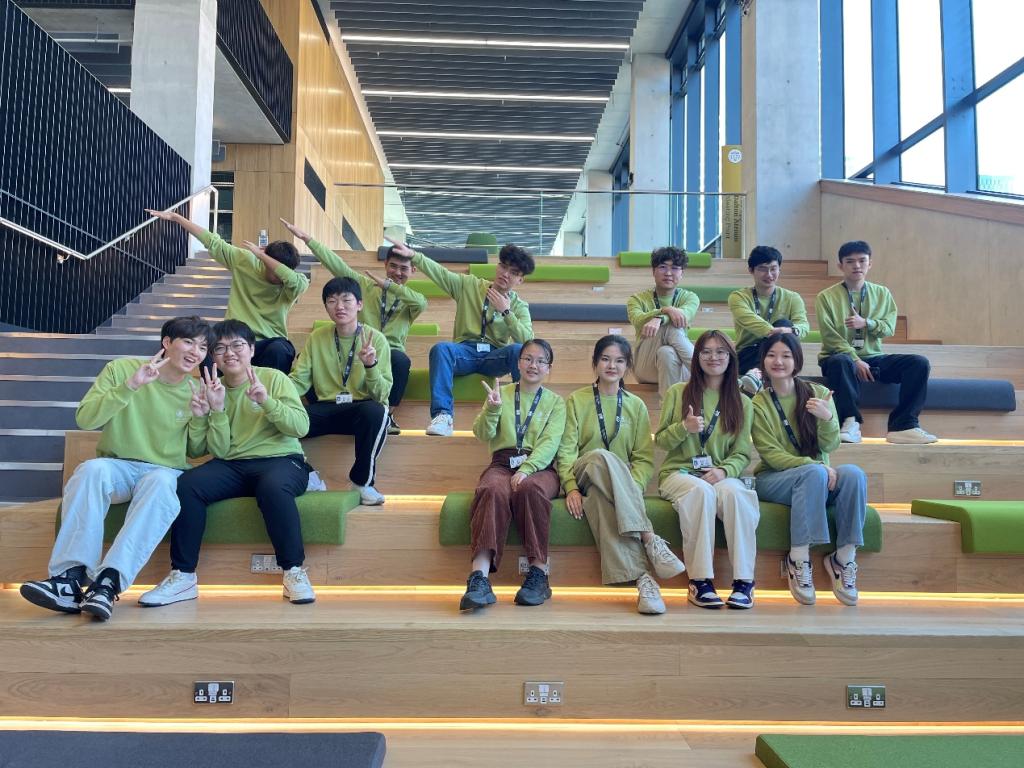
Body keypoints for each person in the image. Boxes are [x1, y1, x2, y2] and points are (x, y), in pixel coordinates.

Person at [19, 317, 213, 621]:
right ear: (167, 342)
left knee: (162, 483)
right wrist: (131, 386)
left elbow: (196, 451)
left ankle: (108, 583)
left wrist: (201, 417)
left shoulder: (196, 388)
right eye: (188, 342)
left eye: (202, 347)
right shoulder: (122, 369)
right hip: (118, 465)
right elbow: (86, 419)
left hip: (164, 470)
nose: (195, 352)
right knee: (90, 471)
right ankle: (68, 580)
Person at [139, 319, 315, 607]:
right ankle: (183, 575)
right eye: (220, 348)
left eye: (237, 346)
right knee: (187, 485)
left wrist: (267, 402)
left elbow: (300, 427)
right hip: (232, 464)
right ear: (213, 357)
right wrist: (215, 411)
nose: (229, 353)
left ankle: (293, 570)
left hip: (282, 460)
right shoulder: (212, 387)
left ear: (252, 350)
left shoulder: (273, 378)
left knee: (273, 488)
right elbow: (216, 450)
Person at [556, 335, 685, 615]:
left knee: (601, 504)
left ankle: (644, 581)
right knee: (601, 456)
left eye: (619, 361)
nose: (611, 366)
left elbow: (643, 458)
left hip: (609, 487)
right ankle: (649, 537)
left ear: (628, 366)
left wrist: (631, 487)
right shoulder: (577, 400)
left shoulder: (635, 405)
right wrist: (571, 487)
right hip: (585, 471)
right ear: (595, 363)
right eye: (605, 359)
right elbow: (566, 451)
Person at [751, 333, 867, 606]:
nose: (778, 361)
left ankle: (843, 558)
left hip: (818, 476)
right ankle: (799, 558)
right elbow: (772, 456)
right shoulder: (757, 404)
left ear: (797, 360)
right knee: (815, 473)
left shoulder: (818, 394)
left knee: (854, 474)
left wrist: (827, 419)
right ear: (763, 361)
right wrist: (814, 465)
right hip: (773, 479)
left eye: (786, 356)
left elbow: (830, 444)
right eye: (771, 355)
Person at [281, 220, 425, 435]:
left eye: (404, 268)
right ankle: (323, 406)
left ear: (413, 270)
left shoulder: (411, 299)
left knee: (400, 360)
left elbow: (420, 303)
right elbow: (336, 264)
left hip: (386, 352)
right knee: (310, 357)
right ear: (385, 265)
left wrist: (389, 286)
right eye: (393, 266)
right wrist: (307, 239)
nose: (397, 272)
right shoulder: (363, 286)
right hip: (354, 341)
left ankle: (387, 414)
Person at [460, 339, 566, 611]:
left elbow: (550, 443)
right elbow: (482, 433)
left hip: (540, 467)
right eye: (528, 358)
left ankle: (538, 574)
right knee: (491, 489)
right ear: (518, 363)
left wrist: (528, 468)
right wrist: (493, 408)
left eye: (541, 361)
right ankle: (479, 579)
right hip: (501, 462)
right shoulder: (501, 393)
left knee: (531, 488)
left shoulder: (556, 402)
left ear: (549, 368)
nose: (533, 365)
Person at [656, 331, 759, 609]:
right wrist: (684, 428)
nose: (714, 357)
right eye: (706, 351)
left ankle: (744, 582)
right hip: (680, 474)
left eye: (721, 352)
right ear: (697, 357)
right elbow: (662, 441)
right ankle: (700, 581)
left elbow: (741, 453)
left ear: (730, 358)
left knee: (737, 495)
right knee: (701, 491)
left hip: (720, 474)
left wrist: (724, 471)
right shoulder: (678, 392)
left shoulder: (743, 402)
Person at [398, 237, 534, 437]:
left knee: (518, 350)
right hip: (464, 352)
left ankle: (519, 417)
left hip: (494, 357)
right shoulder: (469, 285)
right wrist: (414, 256)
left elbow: (528, 341)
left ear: (520, 280)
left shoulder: (519, 306)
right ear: (497, 266)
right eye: (503, 267)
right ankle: (443, 416)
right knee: (441, 349)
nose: (505, 274)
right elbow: (440, 274)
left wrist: (506, 312)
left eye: (513, 272)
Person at [146, 209, 308, 374]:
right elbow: (212, 241)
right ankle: (213, 390)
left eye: (282, 271)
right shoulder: (245, 261)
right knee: (208, 350)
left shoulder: (294, 283)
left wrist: (263, 256)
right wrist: (177, 217)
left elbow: (293, 280)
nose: (279, 276)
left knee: (280, 350)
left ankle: (270, 390)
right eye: (274, 269)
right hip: (233, 338)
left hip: (268, 342)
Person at [815, 240, 937, 445]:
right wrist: (855, 359)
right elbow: (830, 336)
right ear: (840, 266)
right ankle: (850, 422)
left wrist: (867, 323)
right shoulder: (825, 297)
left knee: (918, 363)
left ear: (870, 264)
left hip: (873, 358)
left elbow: (888, 328)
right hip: (839, 359)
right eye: (850, 261)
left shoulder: (882, 293)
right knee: (840, 361)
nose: (857, 266)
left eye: (862, 261)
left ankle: (904, 425)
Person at [289, 277, 392, 506]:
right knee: (280, 417)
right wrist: (273, 394)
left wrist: (370, 366)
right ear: (326, 306)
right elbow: (299, 381)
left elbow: (382, 394)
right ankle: (307, 475)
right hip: (325, 408)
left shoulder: (376, 340)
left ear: (359, 304)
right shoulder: (317, 337)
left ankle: (362, 482)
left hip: (359, 410)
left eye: (346, 300)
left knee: (377, 412)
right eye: (332, 301)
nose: (339, 306)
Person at [727, 245, 810, 396]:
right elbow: (751, 321)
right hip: (748, 353)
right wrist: (776, 332)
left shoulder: (792, 297)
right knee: (783, 329)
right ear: (751, 270)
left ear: (779, 269)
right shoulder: (738, 297)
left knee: (785, 325)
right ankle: (759, 376)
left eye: (773, 269)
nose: (769, 274)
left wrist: (789, 330)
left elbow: (803, 326)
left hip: (780, 353)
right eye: (763, 269)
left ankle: (757, 376)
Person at [626, 246, 700, 396]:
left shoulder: (690, 297)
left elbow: (684, 315)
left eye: (675, 268)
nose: (668, 273)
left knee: (667, 352)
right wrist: (665, 311)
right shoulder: (637, 299)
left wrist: (659, 318)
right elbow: (638, 320)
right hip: (645, 367)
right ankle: (706, 372)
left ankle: (667, 406)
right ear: (653, 271)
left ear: (682, 273)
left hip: (679, 367)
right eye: (662, 267)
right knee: (671, 326)